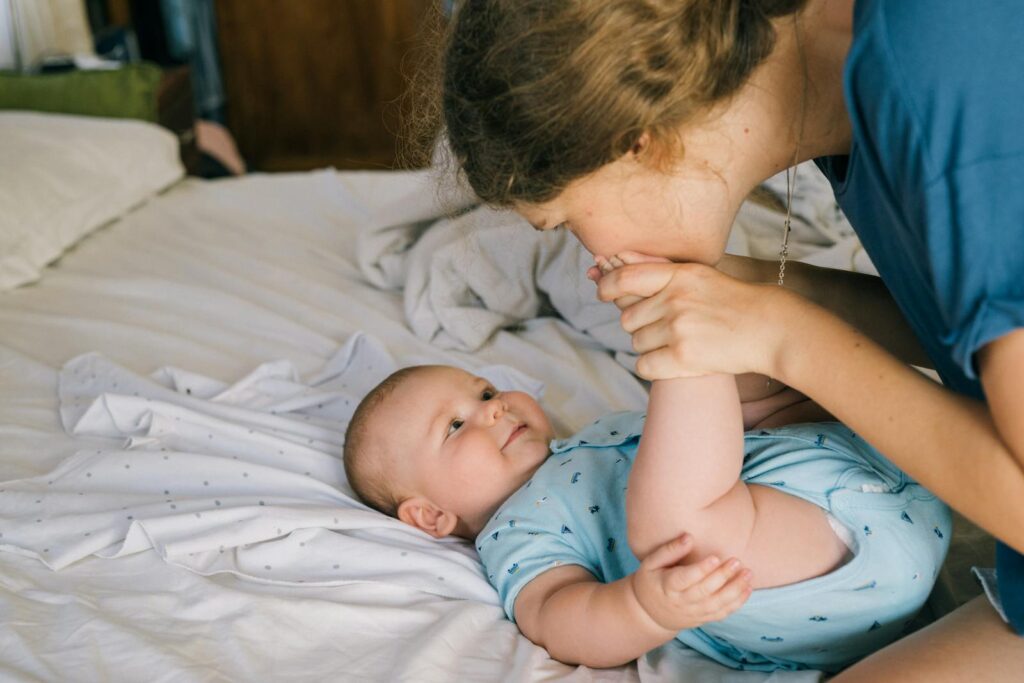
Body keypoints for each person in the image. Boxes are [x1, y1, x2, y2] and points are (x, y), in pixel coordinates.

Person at [438, 0, 1024, 678]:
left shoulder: (933, 63)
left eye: (565, 221)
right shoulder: (854, 106)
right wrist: (763, 298)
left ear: (636, 140)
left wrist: (786, 338)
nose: (589, 250)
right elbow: (963, 324)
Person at [342, 334, 950, 672]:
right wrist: (644, 608)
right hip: (821, 570)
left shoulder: (595, 433)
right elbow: (559, 618)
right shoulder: (514, 533)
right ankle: (693, 344)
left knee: (741, 393)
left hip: (886, 473)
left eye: (485, 391)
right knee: (681, 514)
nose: (493, 408)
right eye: (455, 427)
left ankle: (728, 334)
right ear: (430, 515)